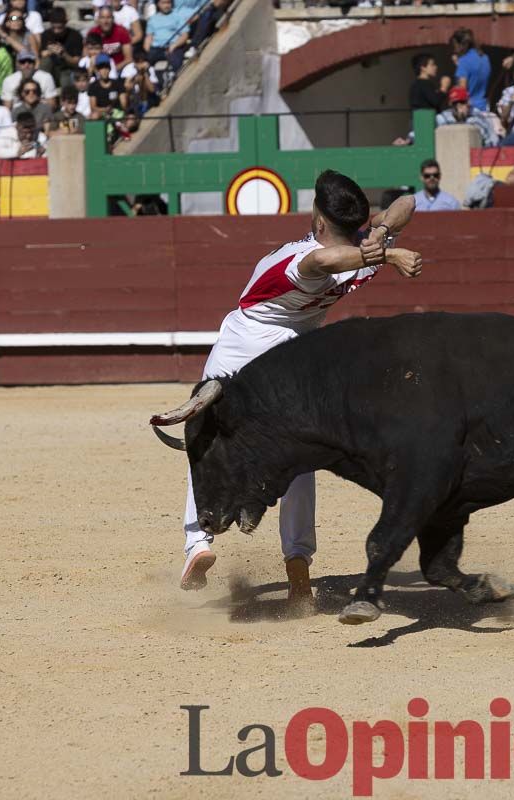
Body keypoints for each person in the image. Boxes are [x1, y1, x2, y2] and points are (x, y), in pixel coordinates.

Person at [176, 171, 422, 608]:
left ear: (319, 220)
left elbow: (321, 263)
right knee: (300, 459)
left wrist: (380, 250)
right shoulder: (360, 256)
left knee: (205, 438)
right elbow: (409, 201)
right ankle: (298, 565)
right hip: (293, 360)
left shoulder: (303, 256)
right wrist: (382, 241)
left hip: (243, 348)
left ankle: (198, 542)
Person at [435, 85, 500, 147]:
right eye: (455, 103)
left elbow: (492, 140)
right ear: (450, 105)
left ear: (468, 103)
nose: (458, 106)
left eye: (462, 102)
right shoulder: (442, 118)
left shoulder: (477, 116)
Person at [451, 27, 490, 112]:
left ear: (461, 45)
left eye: (454, 45)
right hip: (483, 106)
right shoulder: (485, 58)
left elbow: (462, 90)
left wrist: (459, 66)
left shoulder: (464, 61)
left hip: (470, 108)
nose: (454, 49)